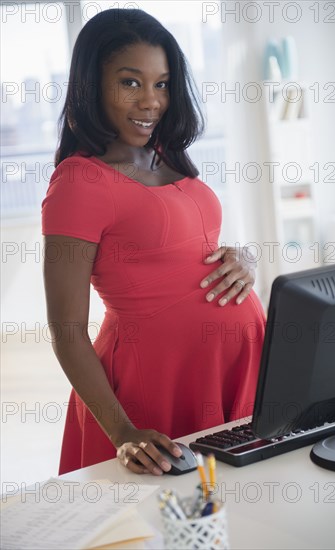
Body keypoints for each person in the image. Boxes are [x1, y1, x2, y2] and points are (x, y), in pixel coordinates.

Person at [41, 8, 266, 477]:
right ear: (91, 84)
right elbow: (66, 330)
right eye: (130, 82)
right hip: (154, 383)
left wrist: (242, 257)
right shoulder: (79, 182)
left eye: (162, 84)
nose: (151, 101)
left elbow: (186, 248)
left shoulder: (164, 154)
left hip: (230, 370)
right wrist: (123, 433)